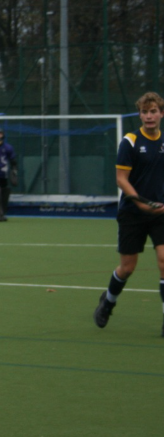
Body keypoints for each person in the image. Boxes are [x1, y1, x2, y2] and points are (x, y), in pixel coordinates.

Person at [94, 91, 164, 337]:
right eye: (144, 112)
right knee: (127, 267)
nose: (149, 116)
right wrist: (142, 203)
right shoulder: (131, 141)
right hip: (132, 213)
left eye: (153, 111)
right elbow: (121, 179)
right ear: (140, 115)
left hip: (161, 213)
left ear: (161, 113)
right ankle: (108, 302)